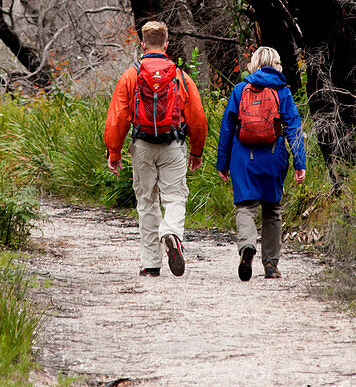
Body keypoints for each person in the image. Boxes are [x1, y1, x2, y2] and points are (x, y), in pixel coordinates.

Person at [104, 20, 208, 277]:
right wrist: (196, 151)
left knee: (147, 202)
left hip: (142, 146)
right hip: (173, 146)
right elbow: (198, 118)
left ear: (142, 44)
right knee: (175, 197)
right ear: (166, 43)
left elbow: (117, 118)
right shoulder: (180, 76)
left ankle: (151, 264)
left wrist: (114, 153)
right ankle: (170, 232)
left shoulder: (131, 75)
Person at [216, 46, 306, 281]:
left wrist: (222, 163)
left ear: (254, 64)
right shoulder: (282, 92)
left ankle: (247, 246)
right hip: (273, 156)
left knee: (246, 207)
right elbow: (294, 129)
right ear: (277, 64)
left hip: (243, 158)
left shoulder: (239, 90)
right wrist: (299, 163)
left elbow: (227, 129)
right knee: (272, 209)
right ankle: (271, 264)